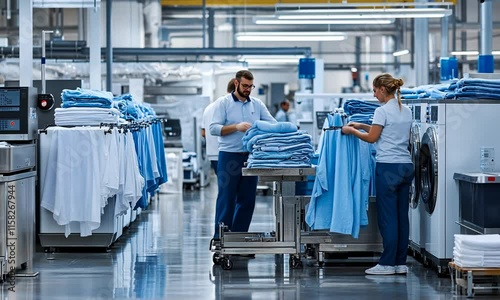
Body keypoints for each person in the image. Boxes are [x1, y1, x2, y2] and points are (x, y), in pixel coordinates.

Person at [341, 73, 414, 275]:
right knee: (401, 217)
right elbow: (388, 133)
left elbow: (373, 138)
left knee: (388, 217)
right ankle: (400, 263)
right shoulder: (406, 110)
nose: (374, 95)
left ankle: (387, 264)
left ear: (382, 89)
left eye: (374, 90)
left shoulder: (382, 111)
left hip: (388, 167)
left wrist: (352, 131)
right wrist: (362, 125)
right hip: (406, 167)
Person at [209, 70, 276, 241]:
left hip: (250, 157)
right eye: (245, 86)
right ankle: (221, 238)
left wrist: (286, 129)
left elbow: (272, 124)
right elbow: (213, 128)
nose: (248, 89)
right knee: (227, 197)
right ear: (236, 83)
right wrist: (236, 127)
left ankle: (238, 239)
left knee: (247, 199)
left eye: (251, 86)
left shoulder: (257, 104)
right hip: (229, 156)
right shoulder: (223, 103)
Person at [201, 78, 235, 174]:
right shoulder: (231, 106)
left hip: (213, 153)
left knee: (223, 183)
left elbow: (203, 133)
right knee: (231, 186)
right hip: (227, 153)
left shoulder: (209, 107)